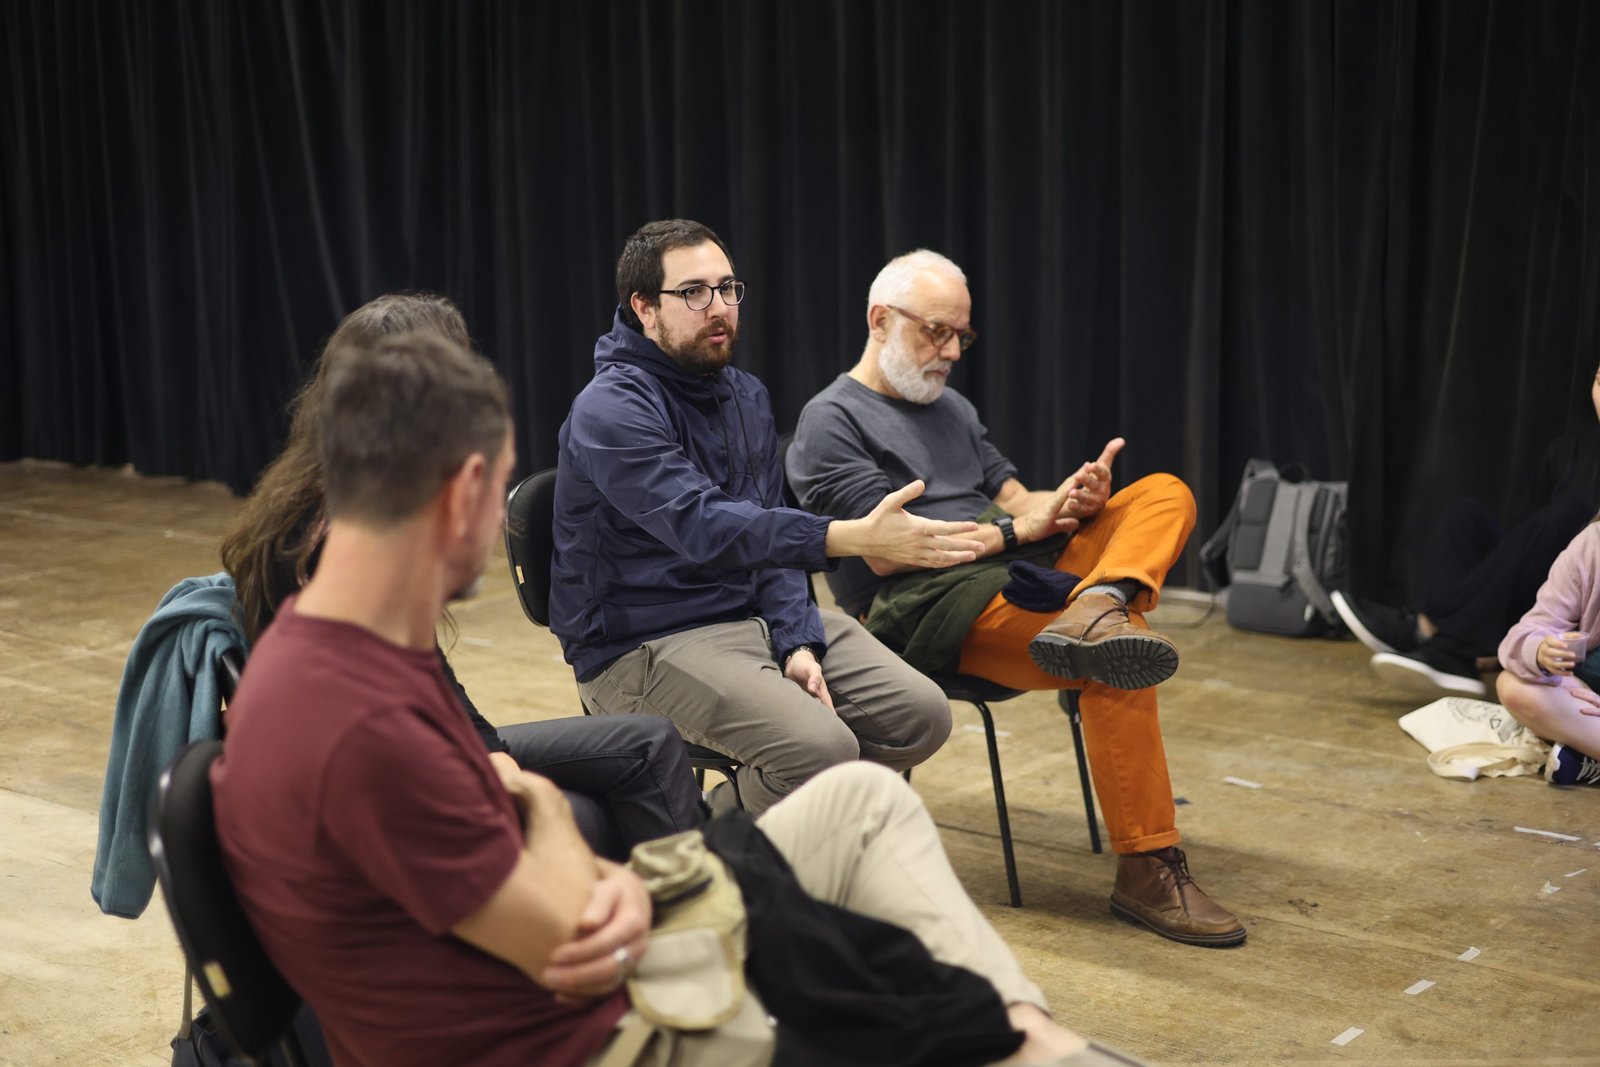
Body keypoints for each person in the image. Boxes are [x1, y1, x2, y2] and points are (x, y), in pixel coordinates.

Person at [212, 333, 1141, 1067]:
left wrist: (539, 813)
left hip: (582, 982)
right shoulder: (363, 721)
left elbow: (531, 858)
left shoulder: (333, 648)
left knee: (867, 798)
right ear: (461, 493)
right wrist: (560, 844)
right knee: (906, 1003)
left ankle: (1026, 1034)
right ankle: (1032, 1042)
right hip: (605, 1038)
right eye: (499, 492)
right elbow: (577, 945)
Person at [787, 249, 1244, 948]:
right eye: (935, 332)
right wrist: (1019, 529)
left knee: (1162, 492)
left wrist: (1067, 500)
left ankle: (1104, 598)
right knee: (1113, 653)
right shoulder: (830, 421)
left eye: (960, 337)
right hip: (925, 603)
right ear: (880, 320)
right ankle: (1147, 867)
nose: (949, 352)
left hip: (1018, 569)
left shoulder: (951, 406)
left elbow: (1016, 500)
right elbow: (888, 548)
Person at [219, 292, 703, 859]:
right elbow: (396, 735)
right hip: (403, 767)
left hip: (423, 744)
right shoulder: (342, 547)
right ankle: (691, 917)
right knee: (598, 808)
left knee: (646, 743)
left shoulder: (329, 501)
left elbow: (422, 675)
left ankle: (686, 912)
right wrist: (507, 781)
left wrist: (489, 752)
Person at [550, 220, 988, 816]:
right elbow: (705, 525)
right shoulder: (610, 407)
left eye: (729, 288)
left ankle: (774, 840)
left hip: (746, 618)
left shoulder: (745, 396)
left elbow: (771, 527)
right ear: (644, 308)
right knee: (822, 749)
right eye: (694, 293)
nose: (720, 307)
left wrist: (797, 640)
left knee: (920, 717)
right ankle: (700, 850)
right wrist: (849, 537)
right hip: (640, 643)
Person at [1334, 365, 1600, 698]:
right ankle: (1444, 637)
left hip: (1579, 612)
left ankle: (1439, 639)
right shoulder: (1569, 450)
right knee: (1465, 516)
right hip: (1534, 601)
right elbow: (1524, 536)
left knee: (1571, 516)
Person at [1495, 519, 1600, 786]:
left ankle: (1584, 756)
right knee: (1513, 686)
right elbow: (1532, 628)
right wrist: (1540, 650)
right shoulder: (1592, 544)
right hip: (1590, 705)